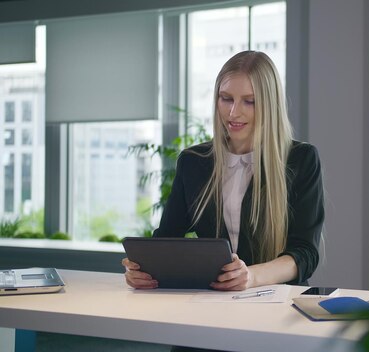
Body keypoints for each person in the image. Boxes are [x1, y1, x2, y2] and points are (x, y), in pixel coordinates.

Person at [122, 51, 324, 292]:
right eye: (226, 98)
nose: (233, 112)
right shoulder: (193, 162)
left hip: (279, 302)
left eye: (250, 101)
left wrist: (251, 276)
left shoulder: (300, 160)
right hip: (213, 301)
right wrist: (143, 269)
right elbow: (167, 240)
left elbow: (305, 253)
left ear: (270, 105)